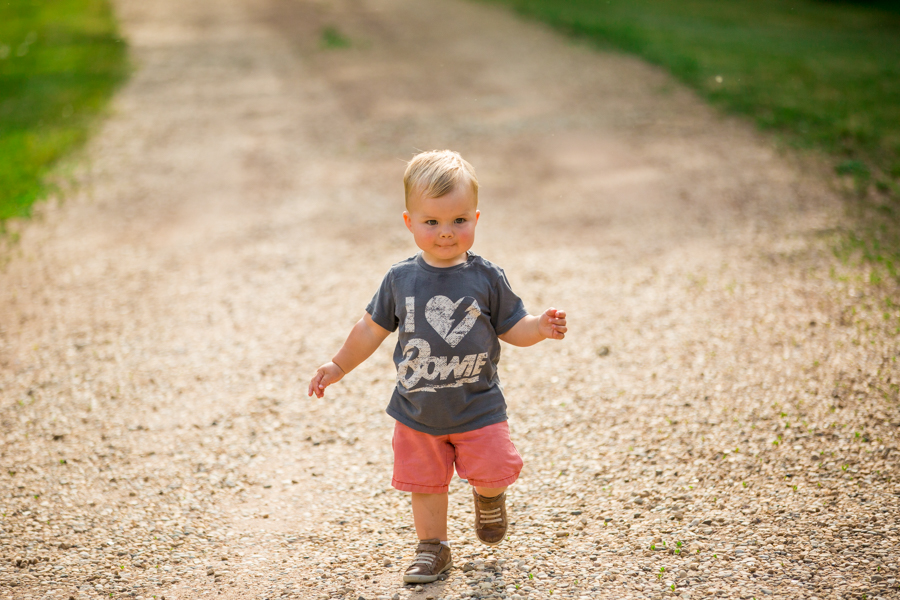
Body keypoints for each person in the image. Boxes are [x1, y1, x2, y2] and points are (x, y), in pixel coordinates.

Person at [308, 149, 567, 584]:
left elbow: (512, 327)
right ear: (409, 222)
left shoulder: (485, 278)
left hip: (478, 407)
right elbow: (370, 330)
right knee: (425, 486)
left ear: (476, 219)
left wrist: (539, 327)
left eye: (458, 221)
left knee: (492, 472)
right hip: (417, 412)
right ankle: (433, 547)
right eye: (432, 222)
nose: (446, 233)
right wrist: (338, 365)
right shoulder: (400, 280)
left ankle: (489, 498)